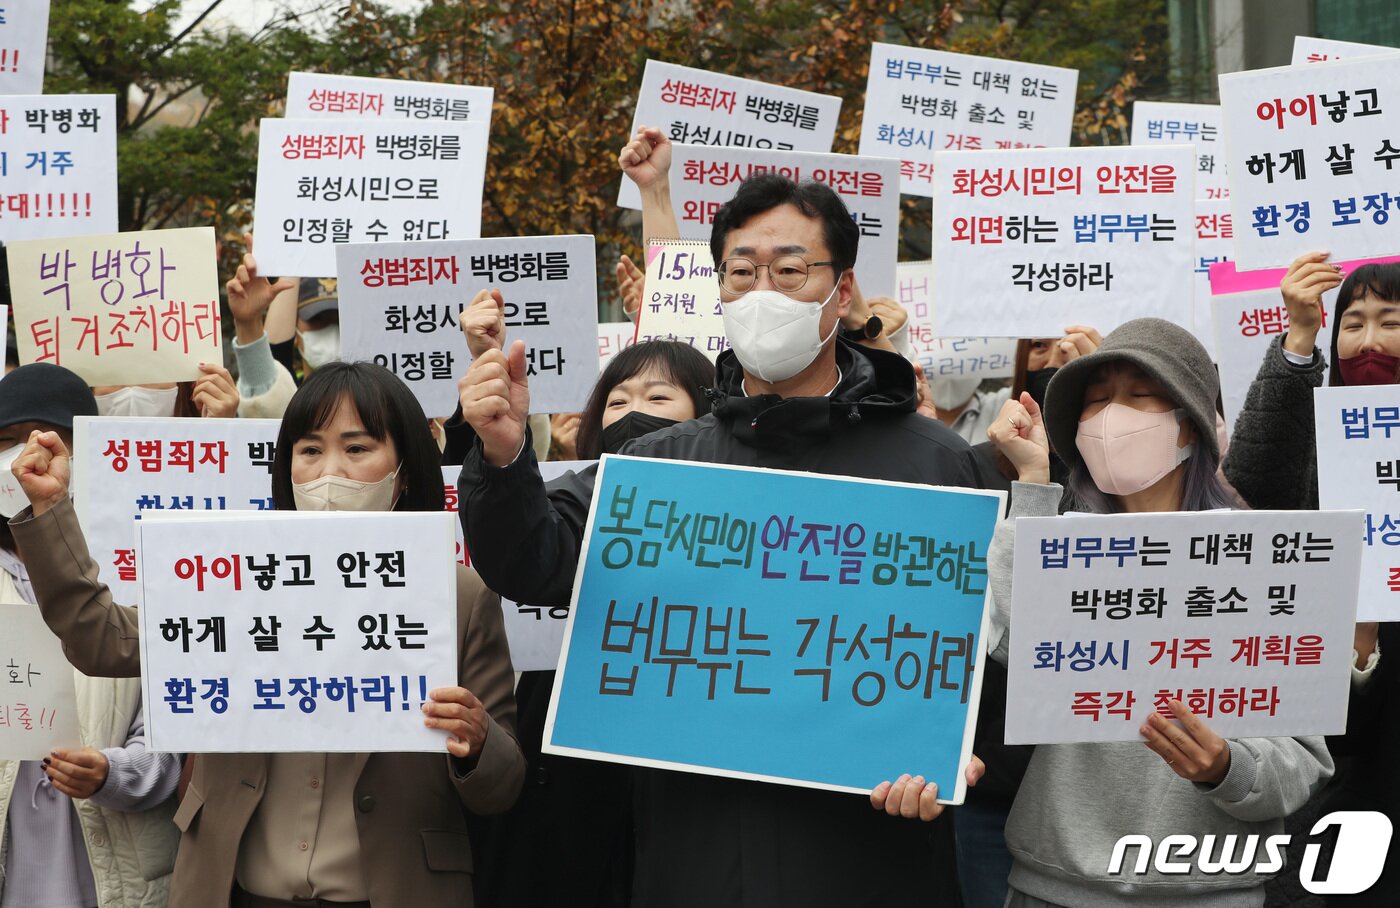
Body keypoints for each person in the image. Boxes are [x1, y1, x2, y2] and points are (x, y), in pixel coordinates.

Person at [457, 171, 983, 905]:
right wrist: (504, 458)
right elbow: (530, 560)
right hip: (697, 858)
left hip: (870, 860)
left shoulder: (934, 460)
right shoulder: (659, 469)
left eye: (791, 270)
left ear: (841, 290)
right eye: (741, 271)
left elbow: (971, 657)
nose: (763, 290)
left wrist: (956, 751)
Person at [10, 361, 526, 908]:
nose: (331, 472)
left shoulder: (459, 596)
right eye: (309, 450)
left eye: (357, 449)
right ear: (286, 467)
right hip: (235, 888)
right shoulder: (237, 576)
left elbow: (503, 784)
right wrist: (49, 509)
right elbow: (101, 638)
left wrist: (476, 740)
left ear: (404, 469)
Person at [930, 317, 1330, 907]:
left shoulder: (1257, 562)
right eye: (1095, 401)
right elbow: (1012, 640)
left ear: (1191, 427)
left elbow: (1300, 763)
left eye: (1141, 396)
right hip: (1050, 884)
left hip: (1209, 890)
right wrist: (1034, 482)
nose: (1113, 417)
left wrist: (1225, 766)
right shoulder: (1067, 544)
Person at [459, 286, 713, 907]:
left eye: (658, 397)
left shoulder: (748, 505)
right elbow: (525, 553)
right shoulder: (578, 494)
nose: (634, 411)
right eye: (617, 400)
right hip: (581, 780)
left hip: (701, 774)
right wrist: (501, 451)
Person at [1222, 254, 1400, 906]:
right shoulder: (1320, 441)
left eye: (1390, 321)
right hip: (1340, 733)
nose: (1371, 342)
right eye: (1353, 323)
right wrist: (1299, 338)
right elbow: (1250, 493)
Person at [0, 363, 183, 908]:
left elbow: (174, 725)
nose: (24, 459)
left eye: (50, 440)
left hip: (113, 866)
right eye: (7, 441)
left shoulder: (146, 571)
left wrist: (112, 772)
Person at [224, 233, 301, 419]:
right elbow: (264, 404)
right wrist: (248, 323)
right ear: (299, 328)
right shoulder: (286, 387)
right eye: (319, 321)